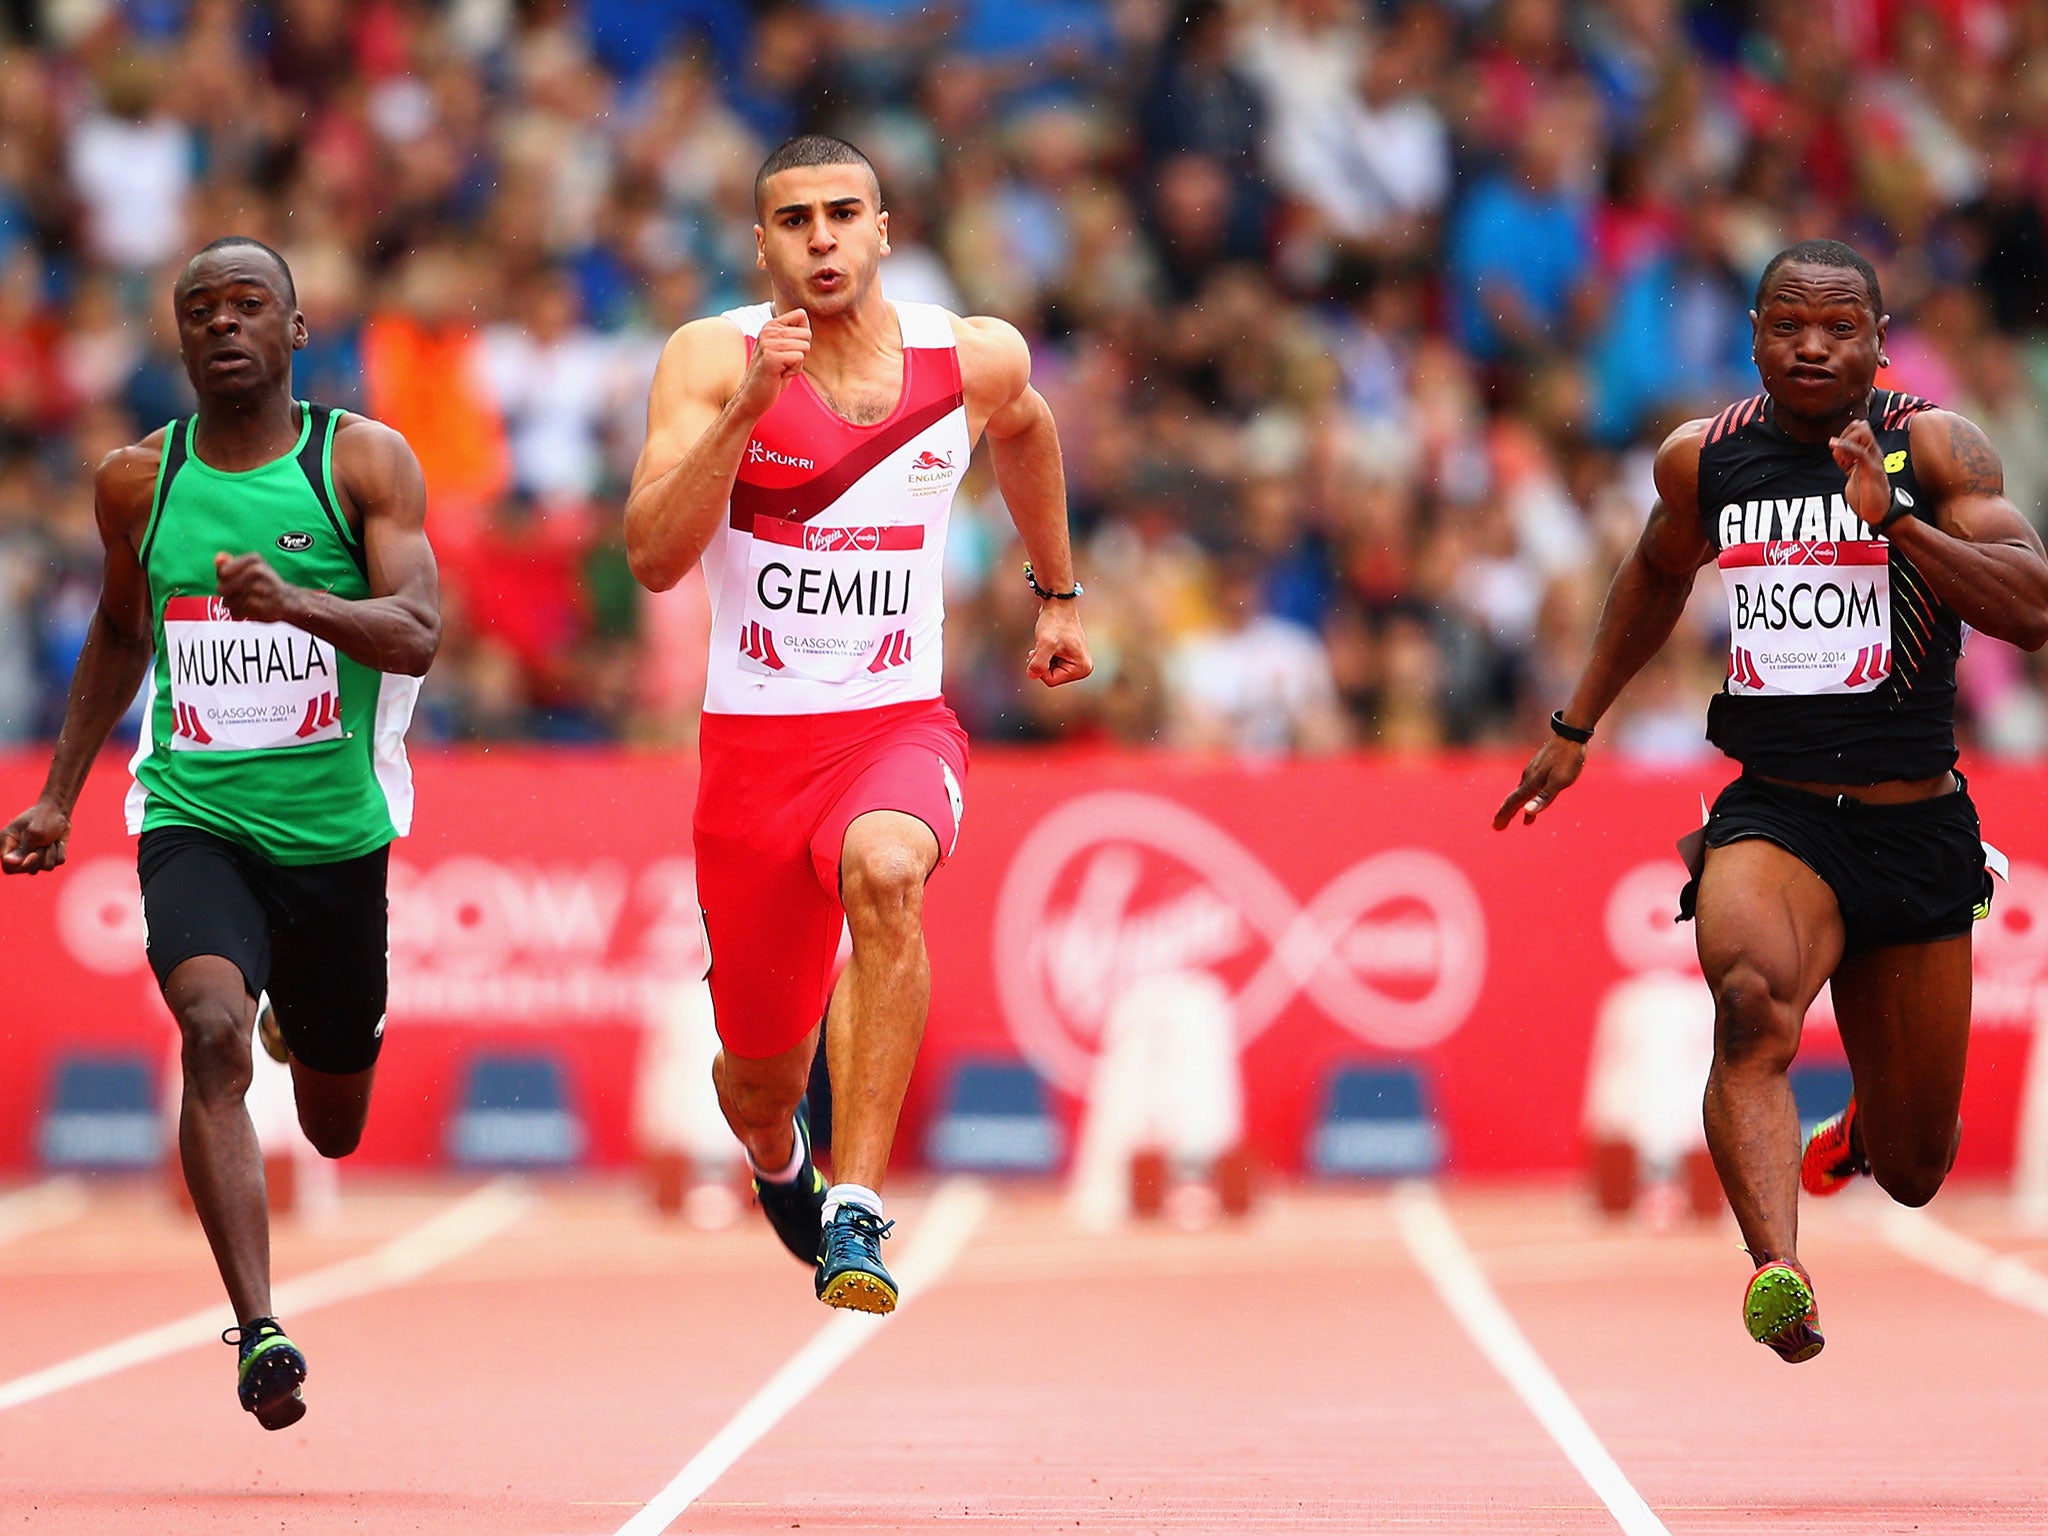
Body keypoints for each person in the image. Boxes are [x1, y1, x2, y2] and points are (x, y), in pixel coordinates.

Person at [1494, 239, 2048, 1363]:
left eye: (1836, 328)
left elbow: (2030, 608)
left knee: (1912, 1167)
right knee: (1747, 1003)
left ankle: (1854, 1131)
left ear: (1876, 342)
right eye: (1786, 325)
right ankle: (1774, 1270)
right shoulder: (1705, 459)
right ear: (1749, 335)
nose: (1809, 345)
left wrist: (1890, 520)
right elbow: (1654, 572)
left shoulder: (1932, 444)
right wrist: (1574, 725)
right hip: (1776, 815)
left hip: (1912, 821)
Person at [625, 136, 1090, 1312]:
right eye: (794, 221)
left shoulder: (969, 357)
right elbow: (651, 556)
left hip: (893, 727)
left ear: (884, 229)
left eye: (843, 215)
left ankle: (859, 1208)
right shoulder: (706, 357)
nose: (821, 238)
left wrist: (1055, 594)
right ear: (761, 245)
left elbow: (1028, 431)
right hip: (753, 754)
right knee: (755, 1085)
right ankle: (784, 1161)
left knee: (890, 874)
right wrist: (745, 410)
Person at [2, 237, 439, 1425]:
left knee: (334, 1125)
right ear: (179, 338)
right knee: (207, 1033)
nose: (224, 324)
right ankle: (257, 1327)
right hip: (196, 811)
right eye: (200, 310)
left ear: (297, 329)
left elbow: (418, 632)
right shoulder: (135, 483)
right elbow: (116, 631)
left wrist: (292, 600)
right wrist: (59, 793)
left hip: (336, 834)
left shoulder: (359, 462)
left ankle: (309, 1017)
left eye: (251, 305)